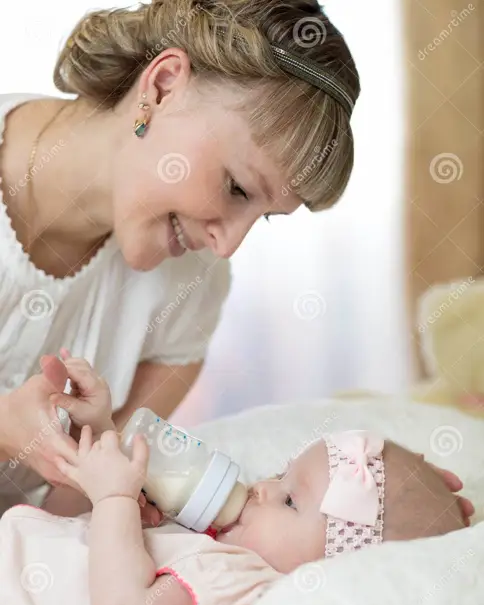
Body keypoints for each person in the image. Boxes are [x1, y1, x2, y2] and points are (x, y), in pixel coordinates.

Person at [0, 0, 358, 512]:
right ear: (163, 85)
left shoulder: (193, 285)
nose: (227, 244)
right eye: (237, 188)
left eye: (264, 214)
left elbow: (68, 518)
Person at [0, 354, 473, 605]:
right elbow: (119, 532)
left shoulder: (243, 588)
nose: (263, 487)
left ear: (330, 569)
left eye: (289, 500)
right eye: (281, 474)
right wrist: (102, 431)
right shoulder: (226, 547)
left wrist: (114, 498)